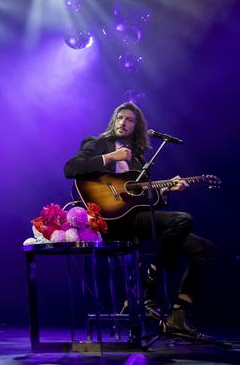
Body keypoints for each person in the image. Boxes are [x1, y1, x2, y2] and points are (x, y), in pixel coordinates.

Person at [63, 102, 215, 339]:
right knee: (183, 219)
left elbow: (143, 201)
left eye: (129, 120)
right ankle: (145, 291)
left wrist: (165, 192)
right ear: (114, 120)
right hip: (112, 223)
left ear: (137, 127)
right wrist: (110, 156)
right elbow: (71, 169)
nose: (123, 122)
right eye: (120, 118)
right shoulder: (95, 143)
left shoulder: (137, 160)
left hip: (137, 220)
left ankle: (176, 314)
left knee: (205, 249)